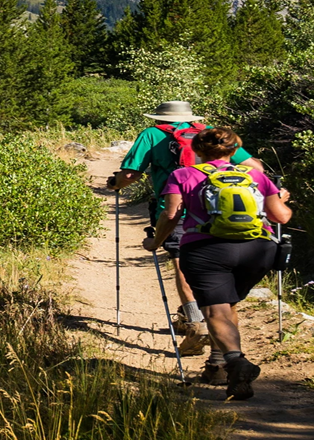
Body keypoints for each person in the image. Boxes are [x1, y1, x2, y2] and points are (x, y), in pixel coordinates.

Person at [107, 101, 263, 359]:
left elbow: (131, 175)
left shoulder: (152, 134)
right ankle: (220, 344)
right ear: (191, 117)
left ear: (158, 118)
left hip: (176, 206)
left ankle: (194, 319)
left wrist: (115, 185)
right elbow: (255, 168)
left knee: (182, 261)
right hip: (218, 209)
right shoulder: (210, 133)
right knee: (215, 269)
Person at [144, 127, 291, 400]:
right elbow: (281, 217)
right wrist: (281, 200)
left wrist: (155, 242)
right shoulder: (257, 176)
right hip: (258, 250)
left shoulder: (183, 174)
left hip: (206, 250)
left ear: (196, 151)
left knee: (216, 311)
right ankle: (220, 368)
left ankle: (236, 363)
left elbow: (171, 215)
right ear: (235, 151)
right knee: (228, 303)